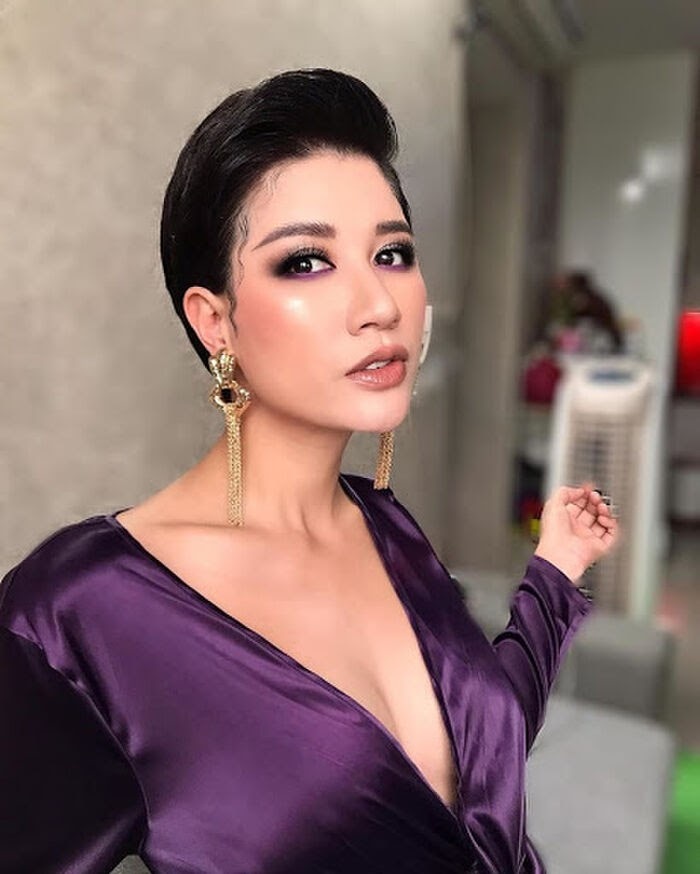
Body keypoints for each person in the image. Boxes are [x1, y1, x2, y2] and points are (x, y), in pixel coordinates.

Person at [0, 69, 618, 874]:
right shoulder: (78, 613)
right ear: (215, 320)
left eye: (392, 253)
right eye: (305, 262)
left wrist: (555, 572)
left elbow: (477, 768)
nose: (380, 305)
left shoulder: (384, 524)